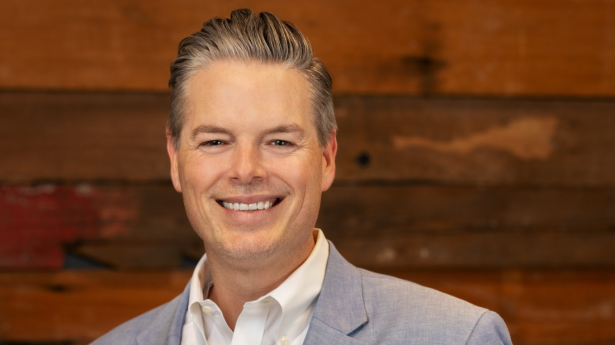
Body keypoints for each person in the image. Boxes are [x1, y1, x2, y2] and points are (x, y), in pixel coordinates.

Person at [92, 9, 512, 345]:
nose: (245, 171)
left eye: (279, 142)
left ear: (327, 156)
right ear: (174, 158)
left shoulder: (459, 337)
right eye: (216, 142)